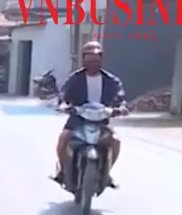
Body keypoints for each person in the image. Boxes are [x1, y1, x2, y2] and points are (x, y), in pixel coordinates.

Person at [53, 41, 127, 189]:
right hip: (77, 120)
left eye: (96, 59)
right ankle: (62, 172)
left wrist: (121, 108)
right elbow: (63, 95)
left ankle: (107, 173)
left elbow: (120, 97)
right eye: (89, 59)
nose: (93, 63)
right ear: (83, 60)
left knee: (115, 141)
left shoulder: (111, 80)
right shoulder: (74, 78)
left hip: (101, 121)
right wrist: (64, 105)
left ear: (101, 60)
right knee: (64, 138)